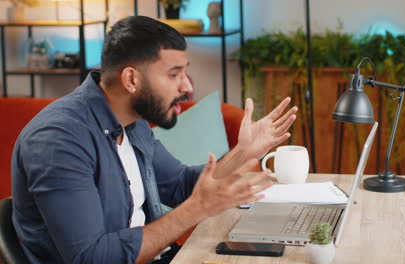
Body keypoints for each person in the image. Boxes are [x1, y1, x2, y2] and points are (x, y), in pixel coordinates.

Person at [11, 16, 297, 264]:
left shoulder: (132, 123)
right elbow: (91, 257)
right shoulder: (58, 141)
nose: (187, 87)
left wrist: (244, 153)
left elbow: (180, 185)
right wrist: (197, 209)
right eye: (174, 74)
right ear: (131, 80)